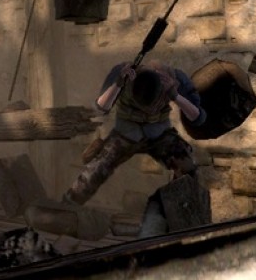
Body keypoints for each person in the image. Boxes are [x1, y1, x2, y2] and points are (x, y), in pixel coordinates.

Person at [62, 61, 207, 208]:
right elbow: (101, 107)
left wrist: (175, 96)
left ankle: (181, 211)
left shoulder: (176, 79)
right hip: (126, 133)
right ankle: (68, 206)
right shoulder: (123, 73)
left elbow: (198, 118)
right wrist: (117, 84)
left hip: (159, 134)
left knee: (188, 167)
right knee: (97, 168)